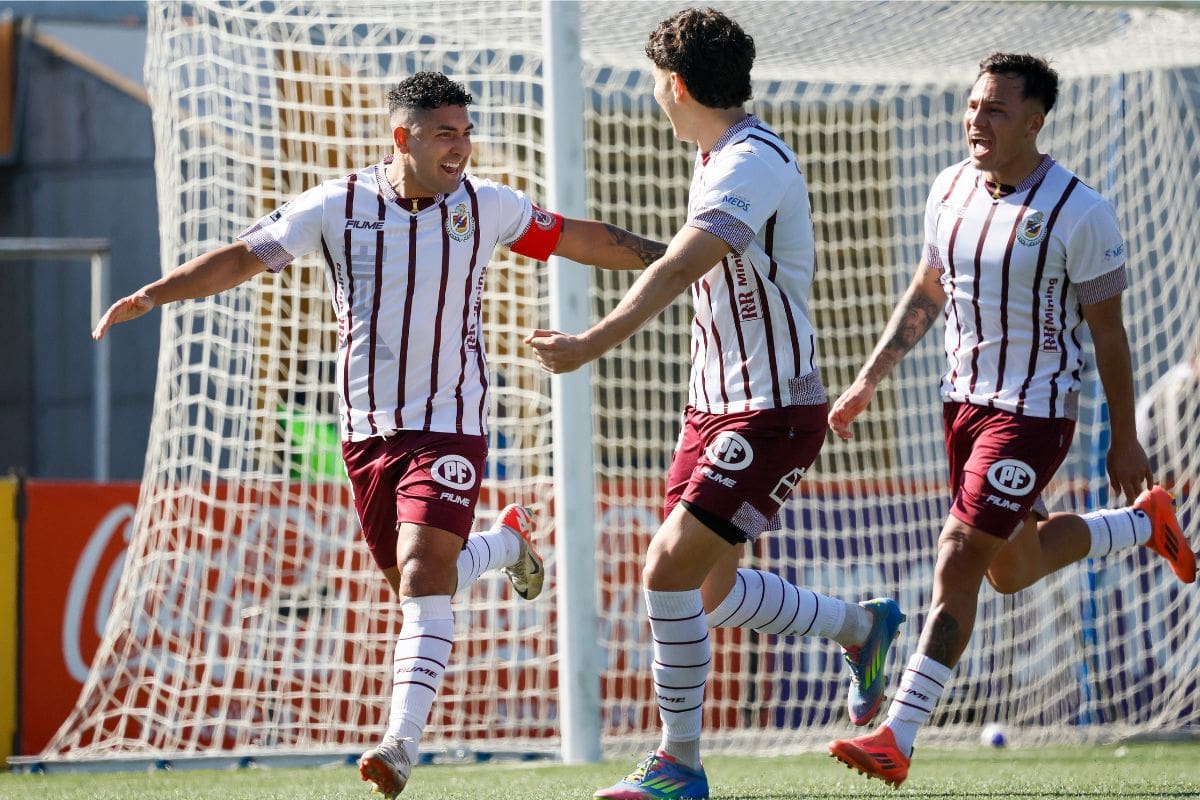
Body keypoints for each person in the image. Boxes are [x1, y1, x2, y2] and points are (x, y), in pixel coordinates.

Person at [92, 72, 668, 799]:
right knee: (417, 583)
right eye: (445, 134)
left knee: (426, 574)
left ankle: (398, 745)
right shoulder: (338, 205)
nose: (462, 146)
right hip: (367, 435)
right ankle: (505, 545)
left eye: (466, 131)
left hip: (451, 423)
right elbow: (243, 257)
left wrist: (675, 255)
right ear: (404, 138)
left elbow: (575, 237)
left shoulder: (486, 206)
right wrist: (153, 293)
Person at [526, 10, 904, 799]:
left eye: (656, 82)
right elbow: (675, 259)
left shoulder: (751, 163)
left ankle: (680, 765)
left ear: (678, 84)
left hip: (769, 410)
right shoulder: (715, 157)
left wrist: (589, 344)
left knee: (664, 569)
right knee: (710, 591)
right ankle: (860, 629)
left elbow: (673, 272)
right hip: (715, 408)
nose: (656, 96)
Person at [826, 52, 1196, 788]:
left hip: (1033, 413)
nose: (976, 119)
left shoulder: (1081, 210)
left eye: (994, 109)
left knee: (958, 554)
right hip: (960, 404)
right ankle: (1142, 525)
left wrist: (1126, 438)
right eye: (973, 105)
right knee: (1011, 570)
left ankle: (897, 735)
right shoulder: (949, 188)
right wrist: (871, 378)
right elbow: (929, 287)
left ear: (1035, 121)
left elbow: (1110, 334)